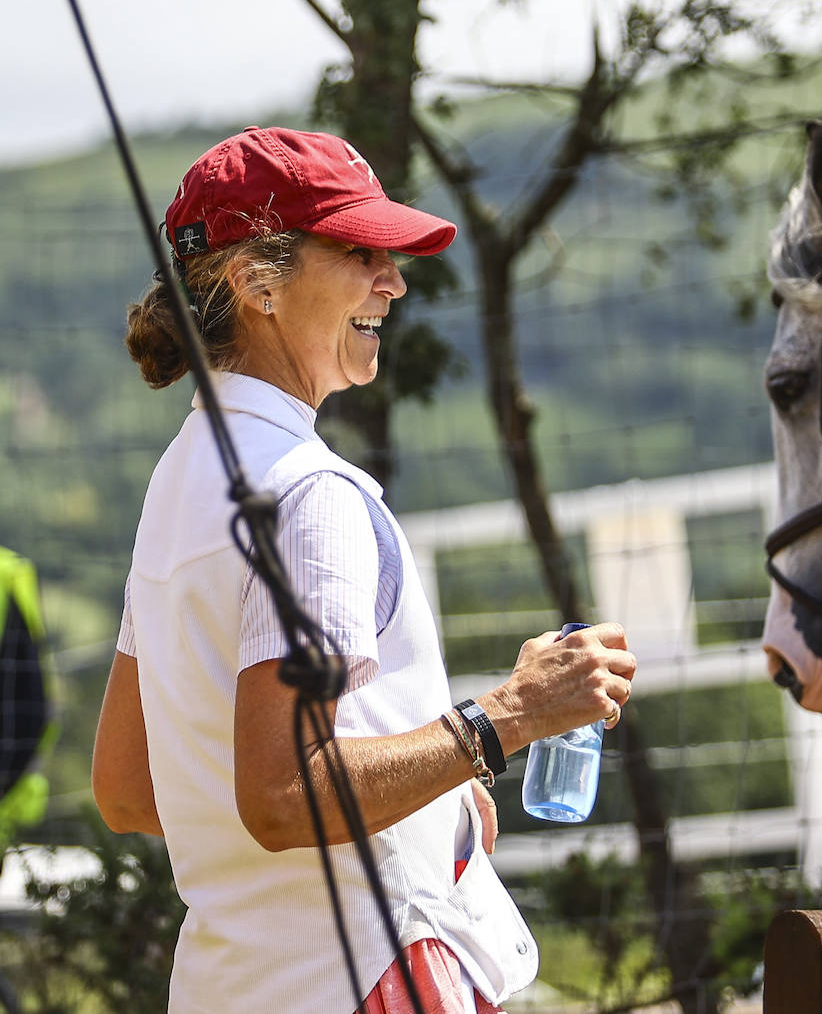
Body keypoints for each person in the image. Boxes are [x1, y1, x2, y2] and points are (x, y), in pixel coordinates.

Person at [91, 126, 636, 1014]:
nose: (394, 279)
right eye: (358, 250)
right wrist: (508, 715)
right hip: (371, 978)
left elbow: (129, 785)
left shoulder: (178, 484)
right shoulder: (311, 496)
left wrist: (418, 794)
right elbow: (278, 791)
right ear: (256, 281)